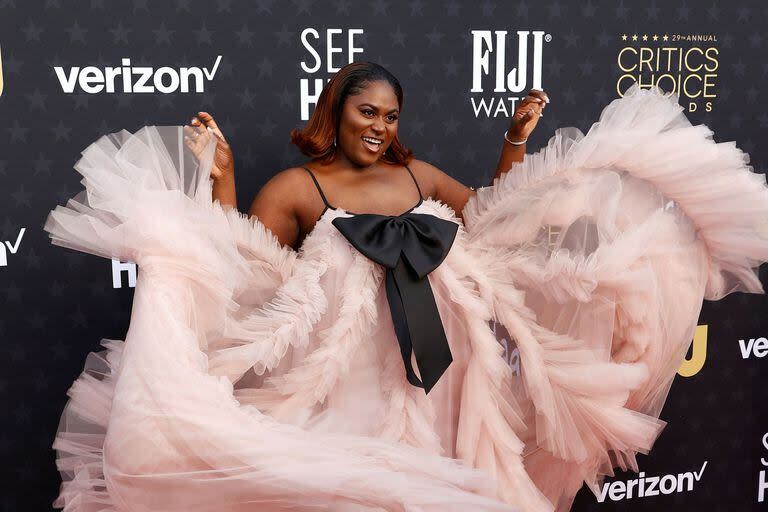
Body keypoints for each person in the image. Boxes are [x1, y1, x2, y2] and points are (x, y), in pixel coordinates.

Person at [45, 61, 768, 512]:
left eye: (391, 117)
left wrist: (515, 142)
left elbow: (493, 214)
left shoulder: (418, 178)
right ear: (338, 111)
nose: (379, 128)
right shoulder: (301, 186)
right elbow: (244, 262)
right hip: (348, 376)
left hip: (437, 375)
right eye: (368, 113)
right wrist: (223, 175)